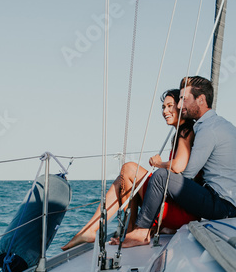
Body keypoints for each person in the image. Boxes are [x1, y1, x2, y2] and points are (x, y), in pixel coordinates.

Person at [115, 75, 236, 247]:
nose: (179, 105)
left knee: (161, 177)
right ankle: (145, 228)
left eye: (184, 99)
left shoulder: (207, 129)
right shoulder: (224, 125)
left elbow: (187, 172)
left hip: (222, 205)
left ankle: (142, 232)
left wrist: (160, 165)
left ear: (201, 100)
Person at [61, 89, 195, 250]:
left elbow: (179, 166)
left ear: (180, 107)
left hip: (179, 212)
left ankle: (130, 231)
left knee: (129, 169)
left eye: (170, 106)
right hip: (173, 204)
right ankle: (91, 230)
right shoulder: (180, 132)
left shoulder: (186, 131)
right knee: (122, 180)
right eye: (163, 107)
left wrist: (159, 163)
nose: (165, 111)